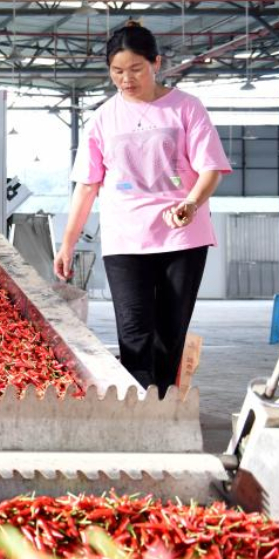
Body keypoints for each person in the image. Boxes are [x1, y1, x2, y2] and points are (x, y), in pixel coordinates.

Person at [56, 21, 231, 395]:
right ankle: (140, 414)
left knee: (170, 332)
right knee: (133, 331)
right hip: (126, 240)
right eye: (117, 71)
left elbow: (211, 168)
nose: (126, 79)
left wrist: (191, 203)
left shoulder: (186, 107)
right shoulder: (103, 118)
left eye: (136, 69)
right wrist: (67, 243)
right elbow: (87, 185)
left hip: (183, 238)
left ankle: (165, 405)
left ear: (156, 63)